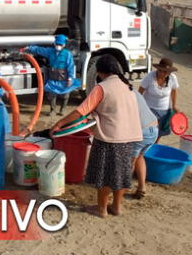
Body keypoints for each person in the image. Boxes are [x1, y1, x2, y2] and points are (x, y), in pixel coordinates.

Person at [50, 55, 142, 218]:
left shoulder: (102, 87)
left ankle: (101, 209)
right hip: (128, 138)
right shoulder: (127, 86)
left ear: (100, 72)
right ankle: (117, 207)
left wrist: (59, 124)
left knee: (105, 175)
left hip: (109, 138)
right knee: (120, 174)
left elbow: (80, 111)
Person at [22, 34, 80, 116]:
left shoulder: (67, 54)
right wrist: (29, 48)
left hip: (63, 78)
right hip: (53, 78)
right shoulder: (50, 51)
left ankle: (62, 109)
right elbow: (39, 50)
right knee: (51, 94)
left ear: (64, 45)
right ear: (54, 43)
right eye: (57, 44)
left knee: (65, 95)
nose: (58, 46)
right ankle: (53, 110)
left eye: (60, 44)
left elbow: (70, 66)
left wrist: (70, 78)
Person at [139, 58, 179, 143]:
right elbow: (140, 91)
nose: (164, 74)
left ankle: (154, 148)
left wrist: (174, 105)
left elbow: (174, 91)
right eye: (162, 71)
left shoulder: (172, 78)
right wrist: (140, 106)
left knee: (159, 133)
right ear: (158, 69)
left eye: (166, 72)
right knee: (148, 133)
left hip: (165, 110)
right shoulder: (150, 76)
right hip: (149, 109)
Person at [129, 91, 159, 199]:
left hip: (142, 131)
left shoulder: (121, 93)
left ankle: (122, 189)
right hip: (154, 129)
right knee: (140, 157)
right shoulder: (134, 91)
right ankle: (141, 188)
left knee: (129, 161)